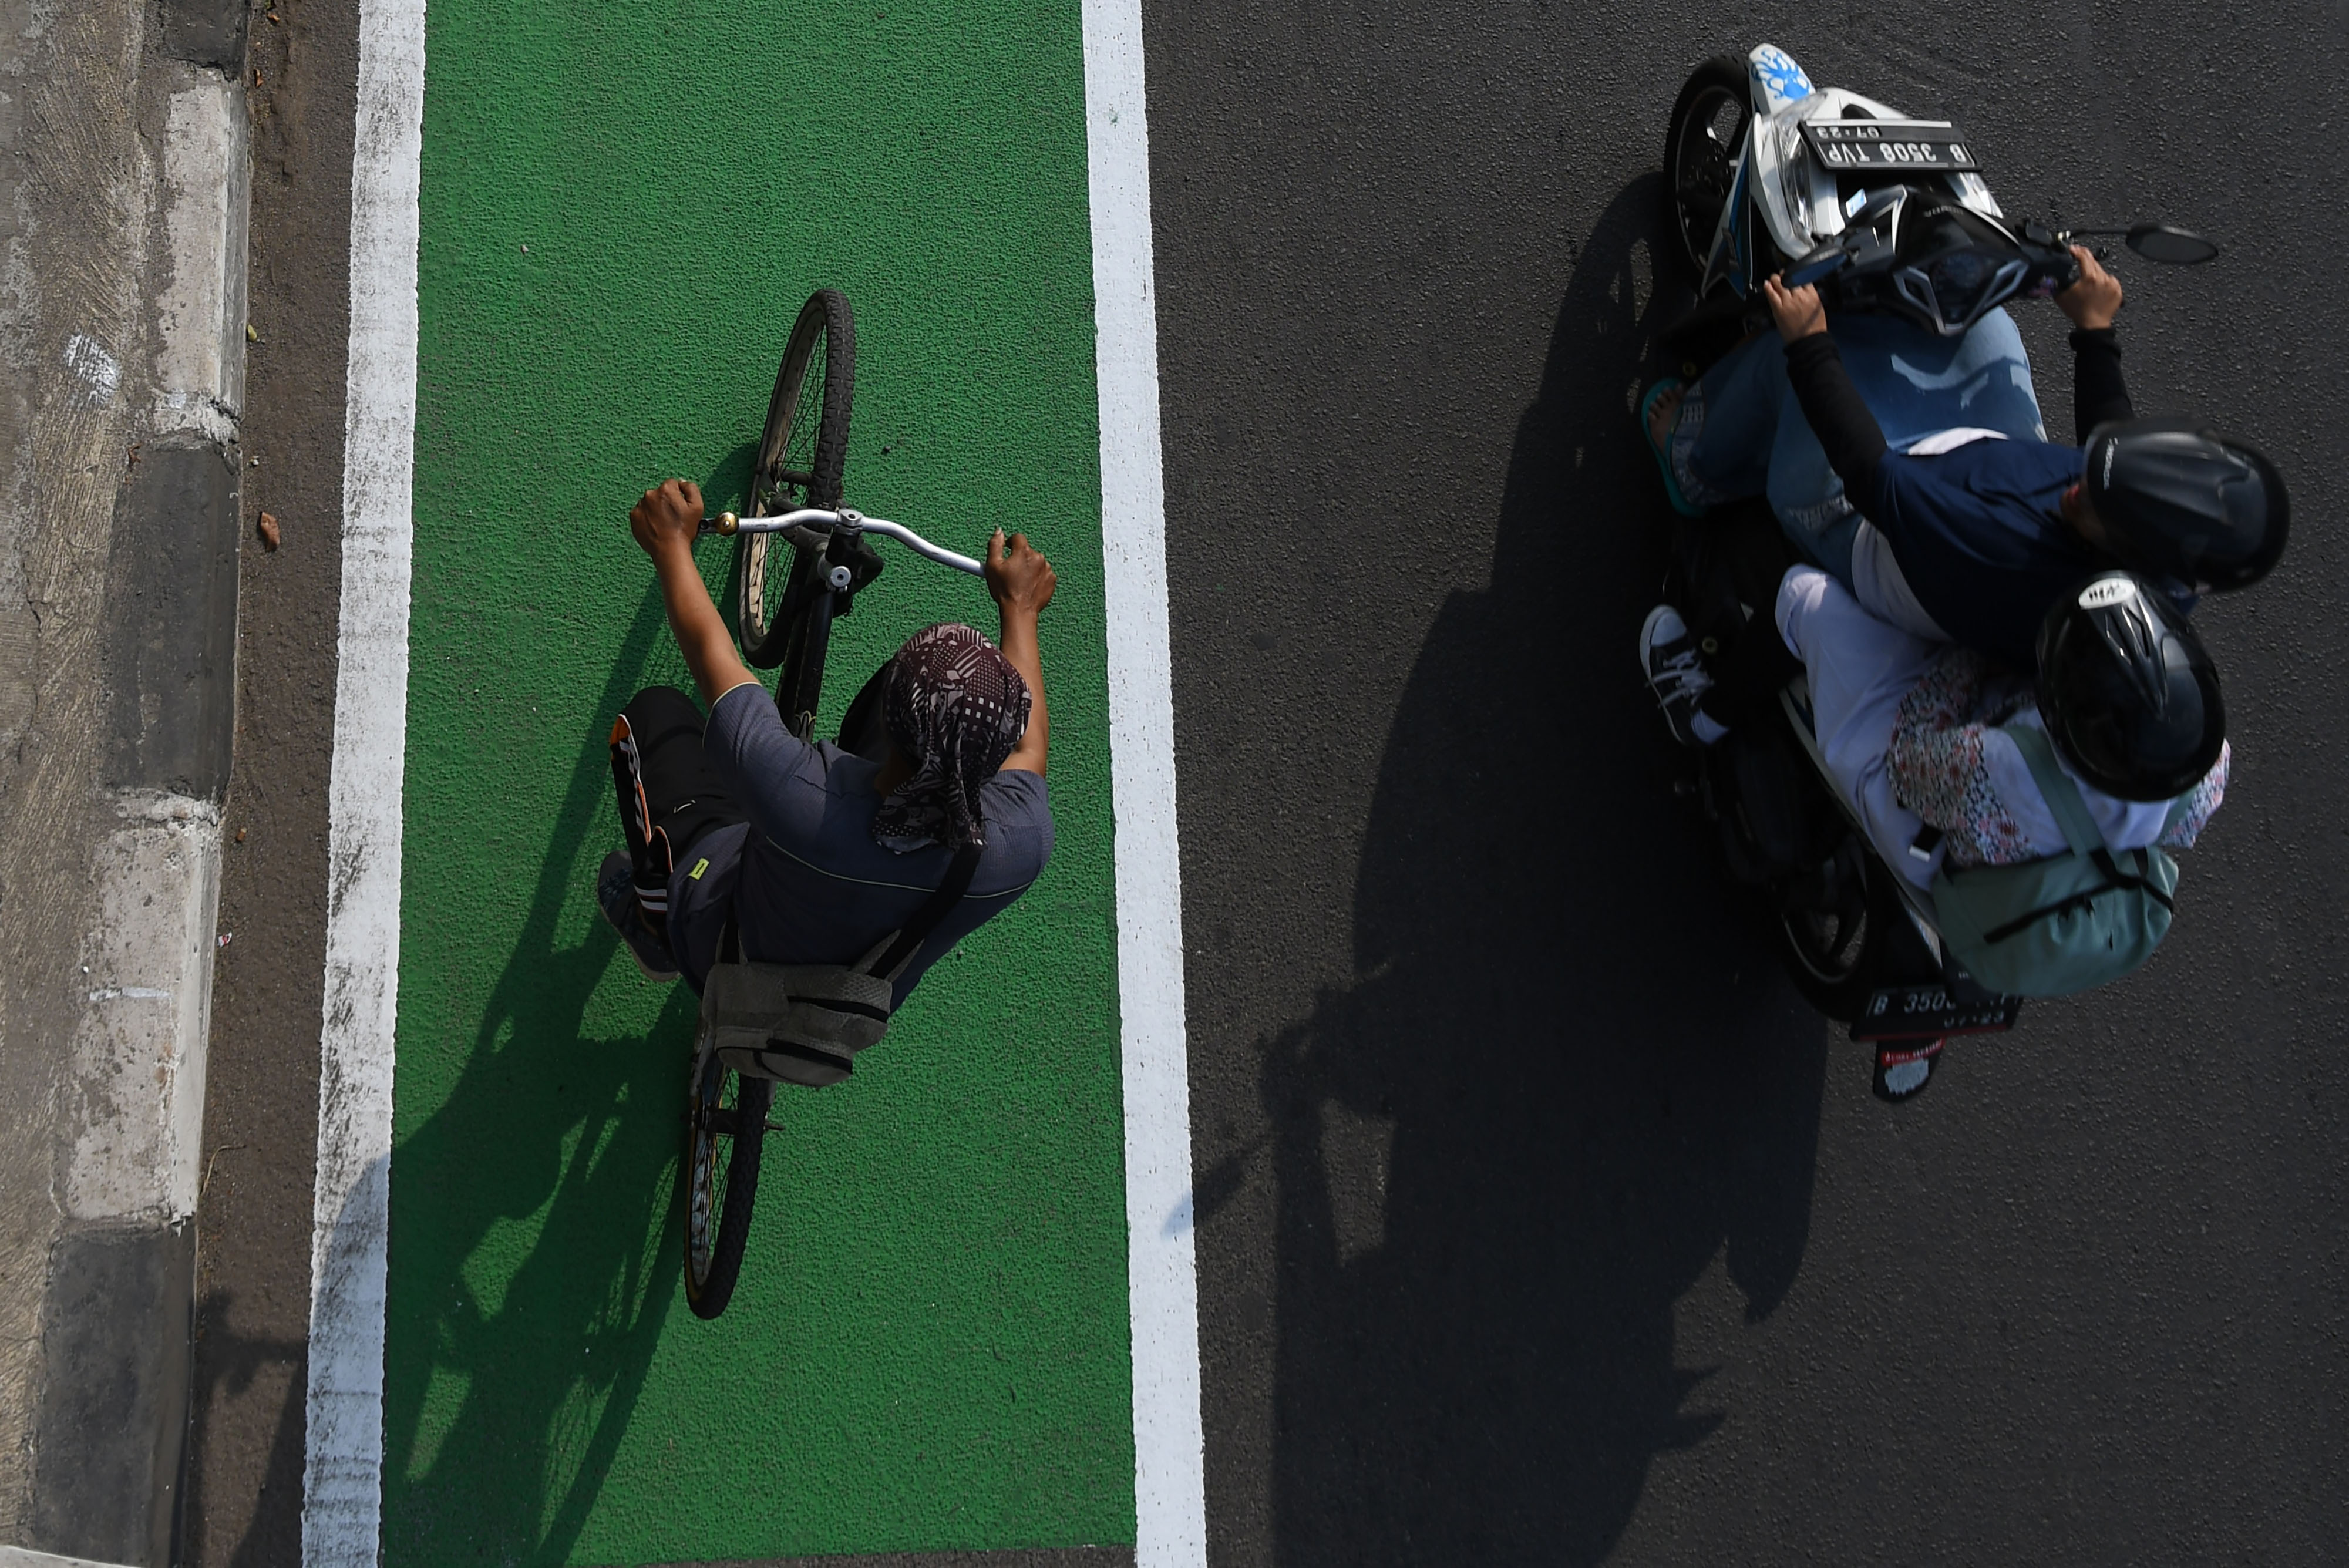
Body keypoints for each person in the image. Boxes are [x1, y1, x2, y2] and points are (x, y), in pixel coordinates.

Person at [1643, 249, 2288, 675]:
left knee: (1782, 367)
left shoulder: (2006, 552)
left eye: (2095, 503)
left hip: (1862, 514)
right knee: (1983, 318)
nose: (2080, 484)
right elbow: (2106, 447)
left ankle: (1694, 465)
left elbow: (1873, 477)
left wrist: (1809, 345)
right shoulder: (2164, 556)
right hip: (1985, 459)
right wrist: (2095, 332)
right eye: (2097, 475)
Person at [596, 477, 1058, 1004]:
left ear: (889, 716)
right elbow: (1030, 751)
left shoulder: (793, 788)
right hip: (842, 1006)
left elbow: (710, 652)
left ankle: (655, 924)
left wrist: (670, 546)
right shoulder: (1020, 843)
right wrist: (1020, 609)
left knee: (656, 712)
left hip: (717, 950)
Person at [1776, 563, 2228, 896]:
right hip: (2056, 861)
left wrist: (1972, 652)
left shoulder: (1999, 767)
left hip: (1929, 828)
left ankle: (1729, 715)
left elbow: (1908, 764)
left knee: (1804, 595)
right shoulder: (2204, 767)